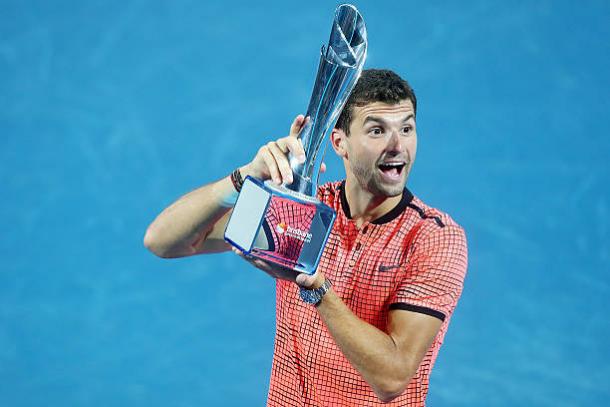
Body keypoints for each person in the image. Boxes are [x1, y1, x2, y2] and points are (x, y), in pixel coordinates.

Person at [144, 69, 468, 406]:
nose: (397, 145)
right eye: (377, 130)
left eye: (406, 128)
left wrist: (316, 290)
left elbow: (392, 376)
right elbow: (164, 241)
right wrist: (244, 178)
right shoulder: (302, 211)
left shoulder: (434, 238)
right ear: (339, 142)